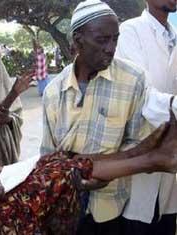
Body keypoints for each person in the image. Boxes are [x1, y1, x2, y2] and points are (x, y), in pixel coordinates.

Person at [0, 87, 177, 235]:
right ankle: (151, 160)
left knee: (59, 158)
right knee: (62, 170)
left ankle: (138, 155)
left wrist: (14, 91)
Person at [41, 0, 155, 234]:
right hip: (65, 208)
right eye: (102, 40)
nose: (111, 47)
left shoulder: (134, 80)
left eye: (115, 38)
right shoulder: (54, 91)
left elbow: (137, 143)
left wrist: (105, 172)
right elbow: (47, 154)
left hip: (113, 207)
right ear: (77, 40)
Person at [115, 0, 177, 234]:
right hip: (141, 151)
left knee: (166, 220)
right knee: (139, 220)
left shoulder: (175, 35)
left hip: (170, 158)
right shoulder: (130, 32)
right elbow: (142, 96)